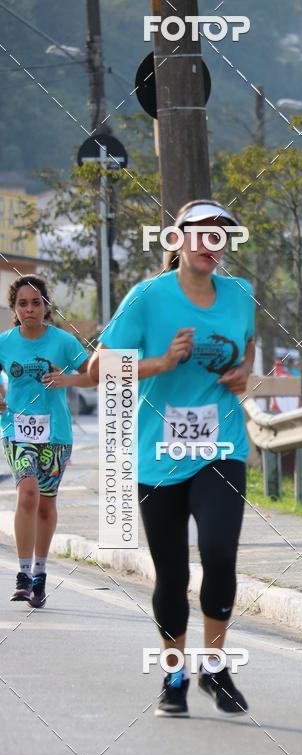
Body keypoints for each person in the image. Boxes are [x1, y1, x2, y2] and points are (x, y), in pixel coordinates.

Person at [89, 200, 255, 718]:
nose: (211, 244)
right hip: (157, 454)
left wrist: (242, 371)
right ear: (176, 240)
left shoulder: (241, 294)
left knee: (220, 551)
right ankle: (174, 673)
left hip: (220, 446)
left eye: (220, 235)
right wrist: (161, 362)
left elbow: (247, 344)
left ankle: (216, 665)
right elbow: (98, 367)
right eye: (200, 234)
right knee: (171, 573)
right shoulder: (147, 298)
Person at [0, 275, 94, 608]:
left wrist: (66, 378)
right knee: (27, 493)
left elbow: (93, 375)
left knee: (46, 504)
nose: (29, 309)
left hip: (56, 434)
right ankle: (23, 575)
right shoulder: (4, 342)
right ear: (14, 308)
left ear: (45, 306)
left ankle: (40, 574)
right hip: (17, 430)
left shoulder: (64, 343)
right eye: (22, 303)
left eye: (36, 302)